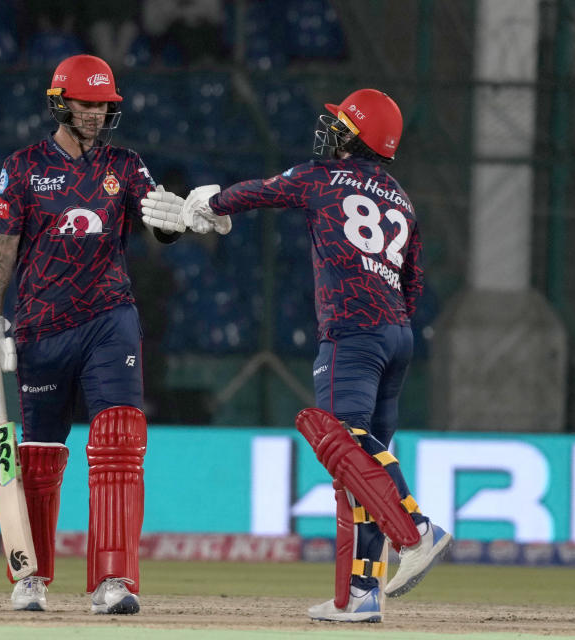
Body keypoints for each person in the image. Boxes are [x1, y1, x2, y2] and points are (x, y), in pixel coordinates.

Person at [142, 88, 451, 623]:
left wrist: (205, 206)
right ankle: (362, 594)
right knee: (364, 464)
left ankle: (418, 529)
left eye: (340, 126)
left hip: (351, 332)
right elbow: (414, 280)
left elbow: (262, 192)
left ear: (356, 136)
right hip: (396, 333)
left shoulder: (320, 176)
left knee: (345, 444)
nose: (329, 132)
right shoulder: (400, 197)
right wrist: (389, 321)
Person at [0, 53, 186, 616]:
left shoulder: (127, 165)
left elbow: (159, 226)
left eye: (104, 104)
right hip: (41, 326)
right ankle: (31, 576)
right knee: (38, 458)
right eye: (87, 103)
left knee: (118, 445)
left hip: (110, 319)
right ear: (60, 102)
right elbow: (2, 250)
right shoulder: (22, 167)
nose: (96, 113)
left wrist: (181, 219)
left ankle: (114, 581)